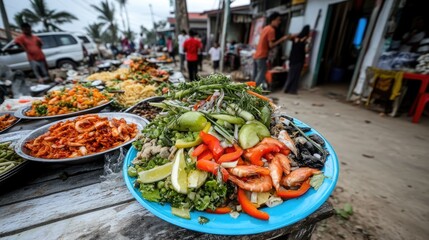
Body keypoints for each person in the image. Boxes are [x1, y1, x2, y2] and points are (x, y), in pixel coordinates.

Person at [253, 12, 289, 88]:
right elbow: (271, 45)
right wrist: (282, 39)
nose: (279, 22)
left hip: (257, 54)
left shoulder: (265, 28)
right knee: (262, 73)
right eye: (278, 20)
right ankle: (253, 90)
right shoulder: (271, 30)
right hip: (262, 54)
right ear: (273, 20)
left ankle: (257, 88)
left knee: (257, 73)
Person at [282, 25, 310, 94]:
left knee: (292, 75)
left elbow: (287, 37)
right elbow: (306, 51)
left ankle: (290, 89)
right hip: (299, 60)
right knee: (295, 76)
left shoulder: (296, 38)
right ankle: (289, 89)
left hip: (293, 59)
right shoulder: (305, 40)